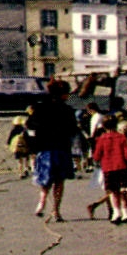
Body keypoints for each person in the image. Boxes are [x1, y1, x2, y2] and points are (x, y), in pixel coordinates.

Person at [25, 80, 79, 221]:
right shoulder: (67, 110)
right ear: (63, 94)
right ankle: (56, 210)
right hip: (62, 148)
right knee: (59, 181)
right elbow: (73, 130)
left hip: (45, 148)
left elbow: (29, 125)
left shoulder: (40, 107)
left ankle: (42, 203)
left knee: (45, 180)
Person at [89, 115, 127, 223]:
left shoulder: (101, 139)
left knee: (113, 192)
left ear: (104, 126)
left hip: (108, 168)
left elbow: (96, 156)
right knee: (124, 191)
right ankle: (126, 213)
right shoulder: (122, 137)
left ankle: (116, 212)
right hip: (121, 167)